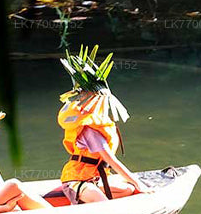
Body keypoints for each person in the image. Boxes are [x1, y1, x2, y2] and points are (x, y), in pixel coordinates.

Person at [57, 45, 150, 204]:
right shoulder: (89, 129)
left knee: (128, 189)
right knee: (103, 202)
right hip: (77, 181)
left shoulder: (98, 123)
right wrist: (139, 183)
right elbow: (112, 160)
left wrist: (134, 185)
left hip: (95, 177)